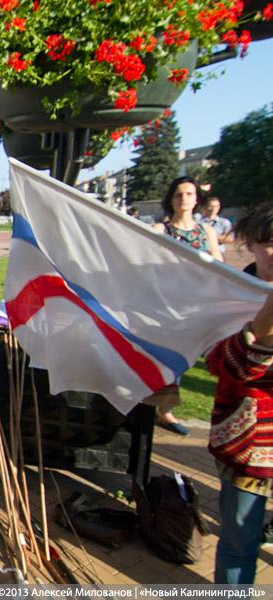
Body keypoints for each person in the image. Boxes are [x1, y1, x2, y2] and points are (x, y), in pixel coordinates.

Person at [206, 202, 273, 584]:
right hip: (249, 440)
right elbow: (222, 365)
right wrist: (261, 328)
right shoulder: (233, 294)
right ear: (251, 244)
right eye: (269, 243)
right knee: (239, 540)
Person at [152, 176, 222, 436]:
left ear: (197, 199)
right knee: (161, 356)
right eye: (179, 194)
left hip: (195, 305)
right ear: (171, 199)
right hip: (165, 304)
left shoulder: (206, 232)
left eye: (189, 194)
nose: (184, 199)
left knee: (183, 357)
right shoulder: (161, 230)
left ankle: (164, 408)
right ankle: (159, 407)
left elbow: (219, 264)